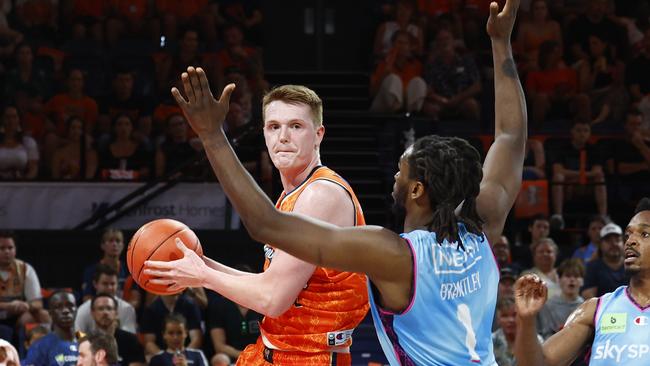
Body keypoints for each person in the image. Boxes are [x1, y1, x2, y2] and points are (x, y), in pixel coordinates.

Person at [145, 0, 526, 363]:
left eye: (402, 169)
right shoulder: (482, 227)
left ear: (416, 190)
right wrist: (500, 43)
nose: (394, 172)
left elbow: (264, 227)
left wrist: (213, 136)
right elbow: (510, 137)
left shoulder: (395, 254)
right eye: (274, 127)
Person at [151, 81, 370, 365]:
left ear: (318, 135)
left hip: (311, 357)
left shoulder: (321, 194)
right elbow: (269, 283)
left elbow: (272, 300)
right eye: (274, 126)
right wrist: (201, 264)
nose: (283, 137)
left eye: (295, 126)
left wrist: (203, 276)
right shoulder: (290, 196)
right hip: (276, 351)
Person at [513, 197, 650, 365]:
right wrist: (526, 320)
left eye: (644, 234)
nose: (630, 241)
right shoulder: (595, 309)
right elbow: (537, 363)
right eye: (628, 234)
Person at [0, 231, 49, 335]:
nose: (7, 252)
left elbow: (37, 303)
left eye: (10, 248)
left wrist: (27, 305)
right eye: (2, 248)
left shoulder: (25, 269)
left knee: (43, 315)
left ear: (15, 249)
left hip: (17, 317)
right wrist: (7, 306)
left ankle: (46, 348)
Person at [76, 264, 137, 334]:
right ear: (95, 284)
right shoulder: (83, 309)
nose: (109, 288)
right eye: (105, 284)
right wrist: (86, 343)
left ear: (117, 285)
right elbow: (77, 333)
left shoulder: (127, 309)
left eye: (112, 284)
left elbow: (130, 336)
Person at [23, 291, 79, 366]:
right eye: (58, 307)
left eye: (70, 305)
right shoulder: (40, 347)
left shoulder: (88, 341)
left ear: (76, 309)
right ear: (50, 313)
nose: (66, 311)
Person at [89, 294, 145, 366]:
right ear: (92, 313)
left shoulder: (131, 340)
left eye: (109, 308)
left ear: (116, 313)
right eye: (100, 309)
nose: (105, 312)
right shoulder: (86, 341)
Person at [536, 258, 585, 340]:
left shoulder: (587, 306)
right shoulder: (547, 306)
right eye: (567, 276)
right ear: (558, 279)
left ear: (582, 281)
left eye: (576, 276)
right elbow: (545, 335)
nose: (572, 280)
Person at [580, 222, 628, 299]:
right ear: (600, 245)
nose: (614, 244)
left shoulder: (632, 265)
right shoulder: (593, 267)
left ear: (624, 243)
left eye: (617, 240)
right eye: (608, 241)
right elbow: (588, 295)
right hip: (603, 309)